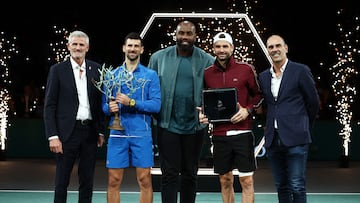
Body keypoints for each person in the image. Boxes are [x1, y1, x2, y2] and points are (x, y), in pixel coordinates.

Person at [147, 20, 215, 203]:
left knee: (190, 174)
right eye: (181, 33)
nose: (185, 37)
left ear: (195, 36)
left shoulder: (208, 60)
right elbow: (149, 89)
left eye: (189, 33)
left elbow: (214, 92)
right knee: (169, 174)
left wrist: (208, 113)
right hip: (166, 125)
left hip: (195, 127)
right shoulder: (158, 58)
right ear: (175, 35)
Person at [198, 32, 262, 203]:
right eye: (218, 46)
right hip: (219, 136)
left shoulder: (246, 69)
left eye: (225, 46)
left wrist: (248, 110)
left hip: (243, 133)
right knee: (224, 180)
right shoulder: (207, 73)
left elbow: (259, 96)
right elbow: (204, 101)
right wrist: (202, 114)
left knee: (246, 180)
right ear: (213, 49)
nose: (221, 50)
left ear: (232, 48)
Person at [43, 30, 106, 203]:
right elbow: (49, 106)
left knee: (87, 181)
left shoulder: (96, 69)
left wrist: (100, 131)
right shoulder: (57, 70)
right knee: (62, 181)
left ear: (87, 47)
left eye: (81, 44)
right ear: (68, 46)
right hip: (65, 134)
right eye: (75, 44)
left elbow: (99, 103)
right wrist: (53, 136)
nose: (78, 47)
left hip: (90, 133)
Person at [258, 34, 320, 203]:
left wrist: (304, 125)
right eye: (271, 47)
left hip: (296, 137)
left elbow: (313, 103)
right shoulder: (263, 76)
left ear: (286, 48)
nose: (274, 50)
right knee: (281, 186)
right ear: (267, 51)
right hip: (273, 139)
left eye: (278, 46)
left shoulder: (300, 70)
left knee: (297, 185)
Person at [103, 32, 161, 203]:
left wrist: (132, 102)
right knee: (113, 180)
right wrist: (109, 107)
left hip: (141, 133)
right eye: (130, 45)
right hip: (117, 133)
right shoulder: (111, 75)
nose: (133, 49)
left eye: (136, 46)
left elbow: (156, 105)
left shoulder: (150, 75)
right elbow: (104, 106)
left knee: (145, 179)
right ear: (124, 48)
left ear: (142, 49)